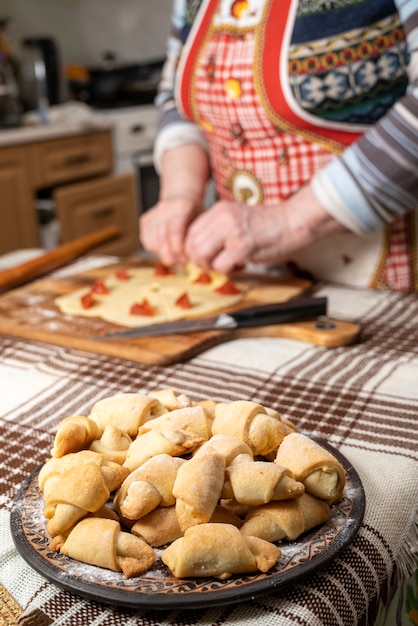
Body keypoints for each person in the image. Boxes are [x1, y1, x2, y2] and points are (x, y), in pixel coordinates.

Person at [139, 0, 418, 292]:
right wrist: (180, 193)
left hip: (387, 286)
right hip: (251, 283)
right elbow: (174, 95)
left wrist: (290, 222)